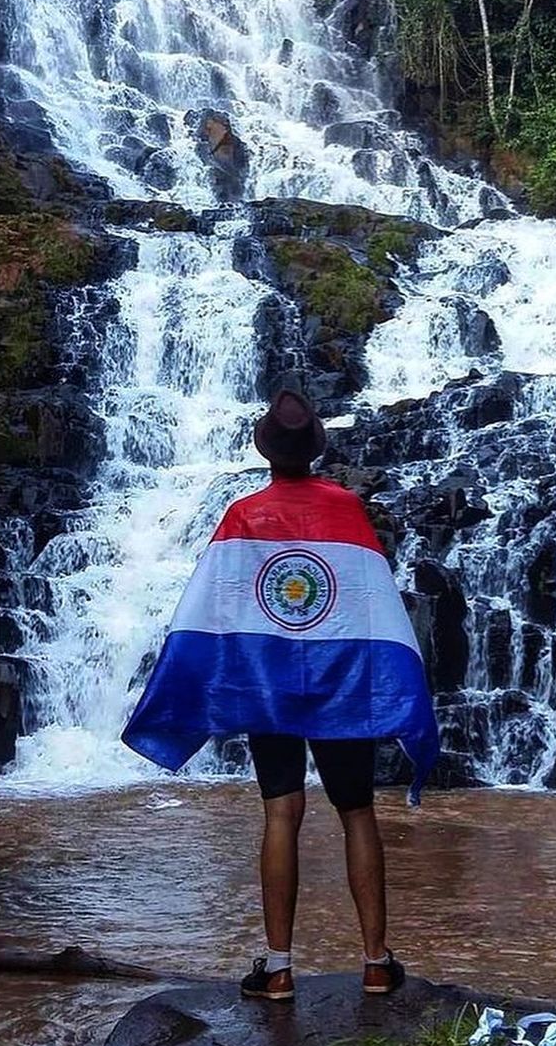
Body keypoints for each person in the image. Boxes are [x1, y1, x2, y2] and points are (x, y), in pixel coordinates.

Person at [122, 383, 439, 1002]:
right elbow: (372, 600)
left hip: (269, 686)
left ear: (268, 452)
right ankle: (376, 963)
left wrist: (210, 677)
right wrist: (396, 682)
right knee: (357, 813)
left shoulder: (244, 514)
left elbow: (217, 604)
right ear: (314, 452)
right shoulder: (347, 507)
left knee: (280, 814)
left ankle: (278, 967)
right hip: (342, 683)